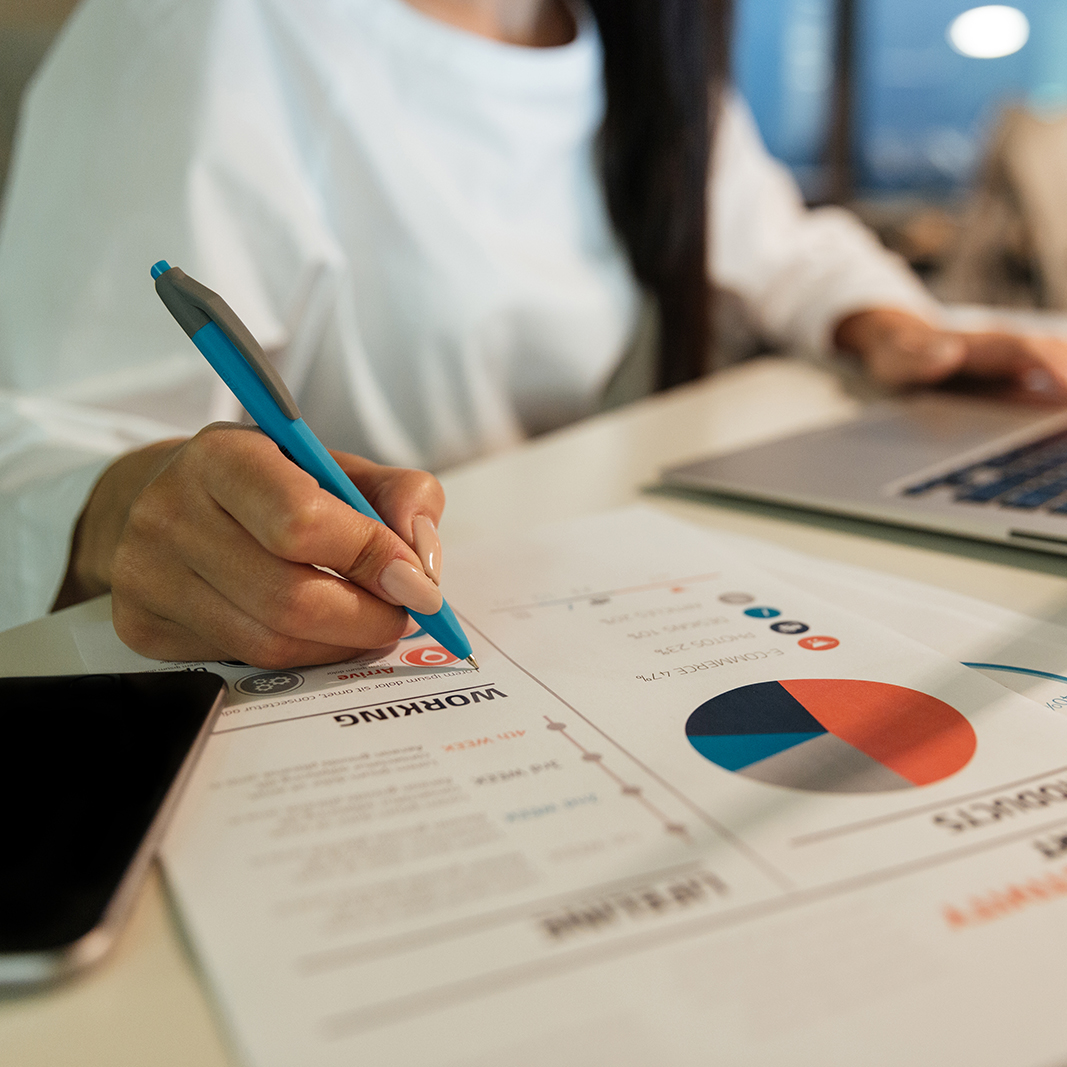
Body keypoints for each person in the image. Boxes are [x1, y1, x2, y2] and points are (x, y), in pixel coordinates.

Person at [1, 0, 1065, 664]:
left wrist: (883, 322)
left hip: (573, 577)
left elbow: (767, 236)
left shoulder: (626, 31)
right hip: (335, 636)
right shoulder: (203, 30)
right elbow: (32, 444)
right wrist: (124, 509)